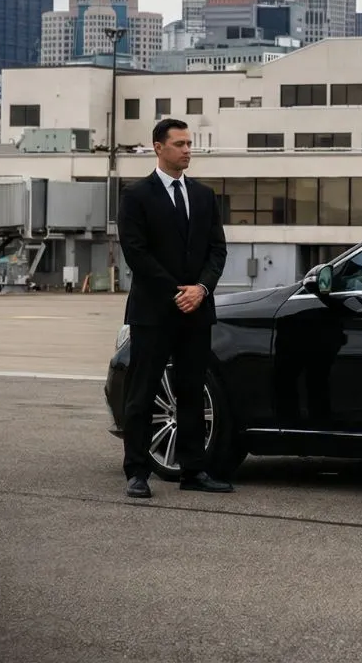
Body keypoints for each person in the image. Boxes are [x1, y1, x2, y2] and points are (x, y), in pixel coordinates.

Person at [116, 118, 231, 499]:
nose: (187, 150)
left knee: (191, 392)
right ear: (158, 147)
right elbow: (136, 252)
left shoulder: (203, 195)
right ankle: (137, 471)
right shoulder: (136, 196)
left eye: (189, 143)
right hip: (154, 313)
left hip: (196, 310)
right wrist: (176, 292)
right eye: (179, 144)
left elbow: (217, 250)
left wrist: (200, 289)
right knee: (143, 392)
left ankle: (194, 470)